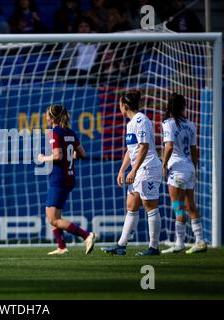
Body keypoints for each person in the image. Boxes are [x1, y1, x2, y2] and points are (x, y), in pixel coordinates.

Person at [102, 90, 162, 256]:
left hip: (148, 168)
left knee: (150, 207)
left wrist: (134, 171)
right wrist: (122, 170)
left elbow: (144, 147)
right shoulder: (130, 124)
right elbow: (132, 150)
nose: (119, 108)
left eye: (120, 105)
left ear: (125, 106)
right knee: (131, 206)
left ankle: (154, 247)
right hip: (139, 169)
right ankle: (121, 246)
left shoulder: (141, 120)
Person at [37, 104, 96, 256]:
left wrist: (44, 158)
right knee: (53, 214)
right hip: (69, 177)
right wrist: (72, 155)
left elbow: (57, 156)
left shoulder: (53, 133)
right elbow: (82, 154)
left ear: (53, 118)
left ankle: (86, 235)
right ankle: (62, 246)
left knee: (53, 219)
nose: (46, 118)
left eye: (47, 115)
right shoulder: (70, 132)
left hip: (59, 178)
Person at [161, 93, 207, 254]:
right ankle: (200, 241)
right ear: (182, 106)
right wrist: (194, 169)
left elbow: (169, 147)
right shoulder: (191, 125)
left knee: (178, 206)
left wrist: (164, 164)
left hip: (177, 170)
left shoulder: (168, 124)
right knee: (190, 205)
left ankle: (179, 243)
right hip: (188, 168)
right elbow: (194, 150)